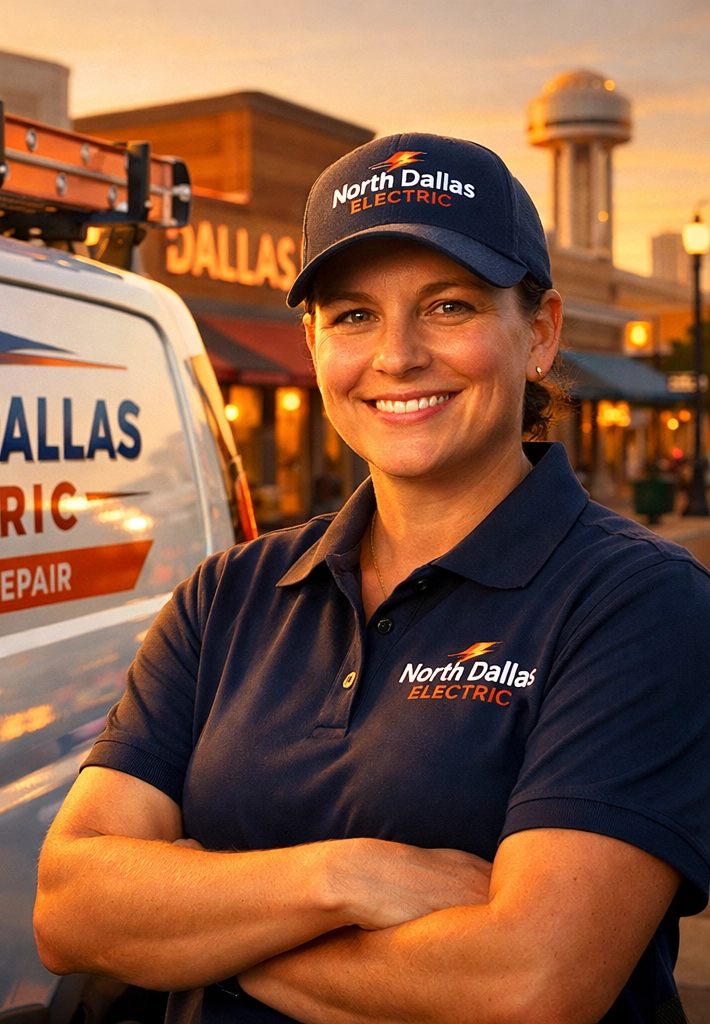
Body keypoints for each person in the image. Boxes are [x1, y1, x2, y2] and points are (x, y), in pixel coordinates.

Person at [34, 133, 710, 1024]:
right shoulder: (228, 595)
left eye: (449, 307)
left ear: (539, 332)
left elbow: (528, 985)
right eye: (353, 315)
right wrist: (341, 876)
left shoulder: (639, 603)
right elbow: (70, 905)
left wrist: (201, 948)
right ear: (313, 344)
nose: (397, 357)